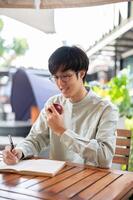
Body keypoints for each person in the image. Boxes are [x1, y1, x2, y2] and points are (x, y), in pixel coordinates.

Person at [3, 46, 118, 168]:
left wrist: (62, 131)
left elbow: (104, 157)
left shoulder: (105, 109)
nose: (59, 83)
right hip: (57, 177)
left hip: (92, 180)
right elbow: (35, 139)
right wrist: (18, 152)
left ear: (82, 73)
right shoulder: (53, 103)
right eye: (56, 77)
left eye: (65, 76)